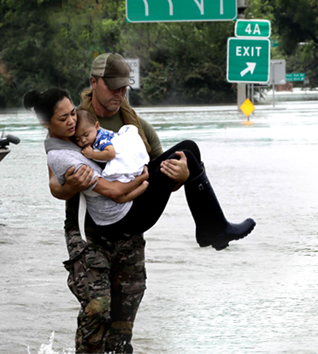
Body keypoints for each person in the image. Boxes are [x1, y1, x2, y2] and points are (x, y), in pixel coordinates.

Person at [42, 53, 254, 353]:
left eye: (124, 87)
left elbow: (158, 179)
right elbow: (54, 183)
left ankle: (212, 229)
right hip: (89, 230)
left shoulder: (135, 125)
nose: (120, 93)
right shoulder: (73, 121)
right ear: (94, 82)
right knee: (97, 308)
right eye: (113, 87)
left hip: (129, 222)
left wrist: (184, 176)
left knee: (123, 321)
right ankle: (213, 230)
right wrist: (71, 185)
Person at [73, 109, 149, 183]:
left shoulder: (101, 138)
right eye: (78, 139)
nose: (83, 140)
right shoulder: (93, 137)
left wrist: (92, 154)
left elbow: (111, 153)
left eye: (86, 135)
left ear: (97, 126)